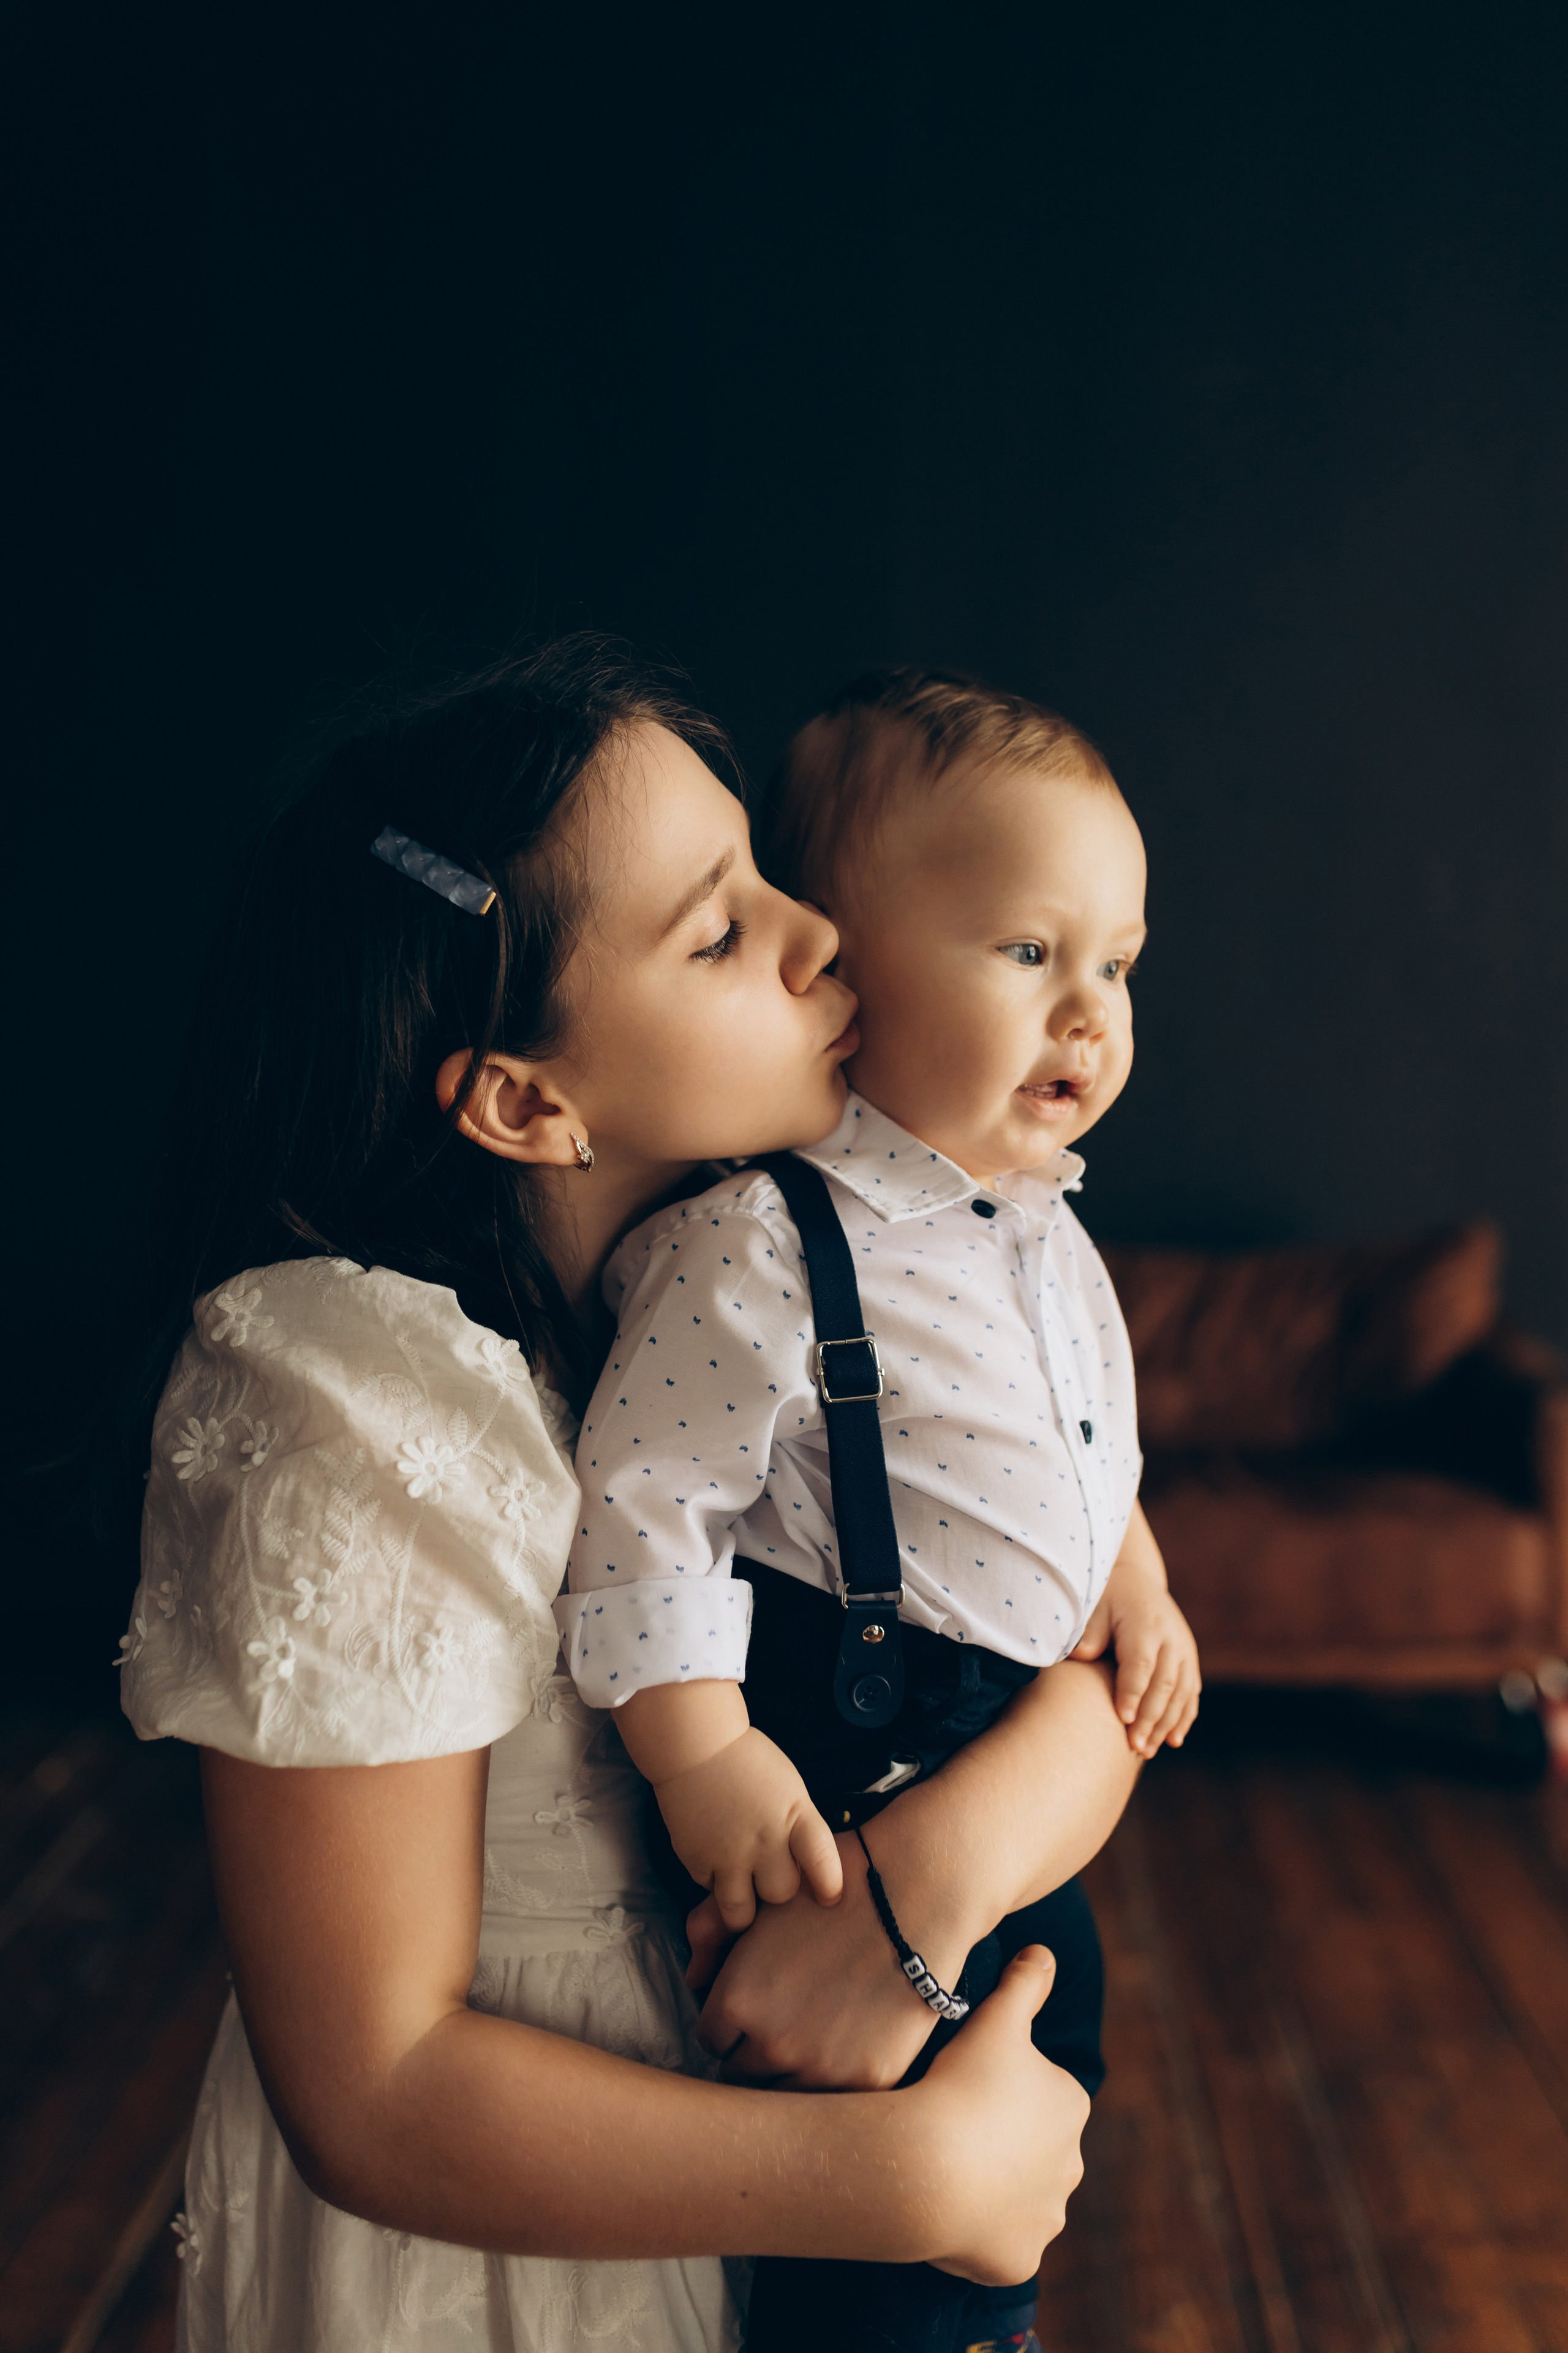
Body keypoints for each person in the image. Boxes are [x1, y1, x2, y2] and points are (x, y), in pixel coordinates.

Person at [115, 640, 1141, 2353]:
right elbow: (370, 2090)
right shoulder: (356, 1388)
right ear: (525, 1097)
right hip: (508, 2274)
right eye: (723, 927)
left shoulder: (725, 1302)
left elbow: (1095, 1632)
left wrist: (924, 1890)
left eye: (770, 872)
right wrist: (906, 2179)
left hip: (738, 2172)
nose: (822, 934)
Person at [564, 665, 1200, 2351]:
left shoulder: (1037, 1221)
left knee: (1010, 2195)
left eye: (1119, 964)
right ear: (845, 963)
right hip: (851, 1758)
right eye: (1031, 951)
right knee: (872, 2264)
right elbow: (648, 1511)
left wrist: (1133, 1569)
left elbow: (1067, 1447)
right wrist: (701, 1749)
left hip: (1016, 1802)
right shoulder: (764, 1244)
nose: (1091, 1011)